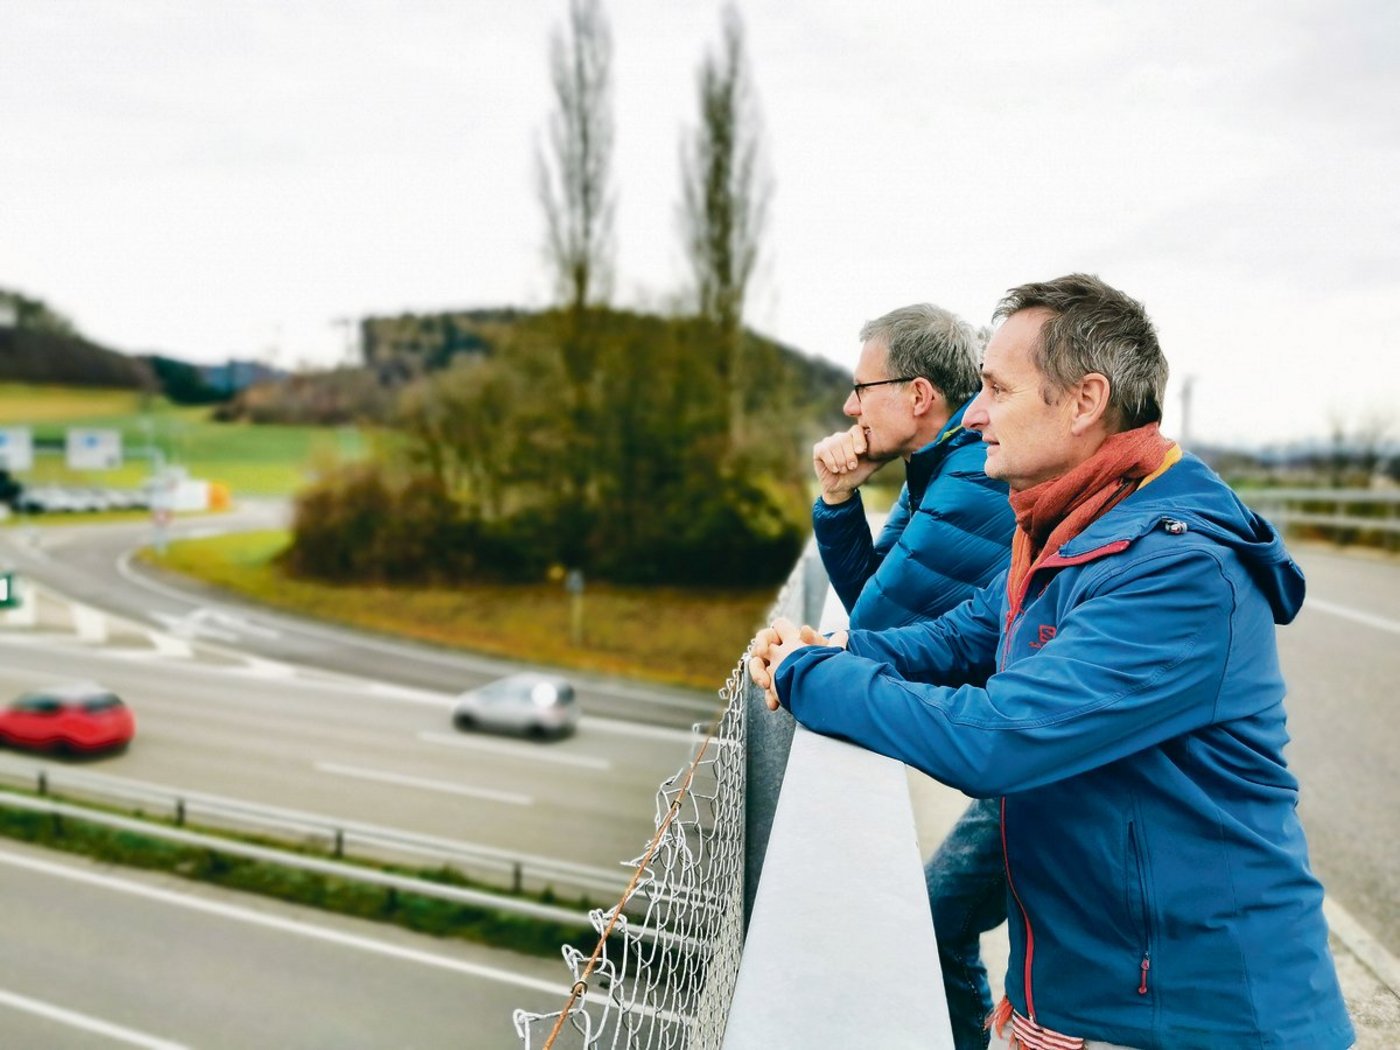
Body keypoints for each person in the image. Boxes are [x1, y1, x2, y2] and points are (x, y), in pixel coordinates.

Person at [751, 274, 1354, 1049]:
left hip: (1202, 1020)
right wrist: (831, 648)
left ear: (1083, 400)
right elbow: (964, 636)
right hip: (1088, 999)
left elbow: (999, 738)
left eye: (997, 390)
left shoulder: (1180, 571)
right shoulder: (1060, 523)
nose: (973, 415)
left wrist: (812, 676)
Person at [809, 302, 1015, 1050]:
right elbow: (876, 600)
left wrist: (812, 660)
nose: (850, 406)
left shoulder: (969, 480)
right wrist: (838, 500)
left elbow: (874, 629)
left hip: (1043, 752)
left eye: (864, 387)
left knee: (943, 916)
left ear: (919, 395)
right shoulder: (937, 469)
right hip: (1022, 742)